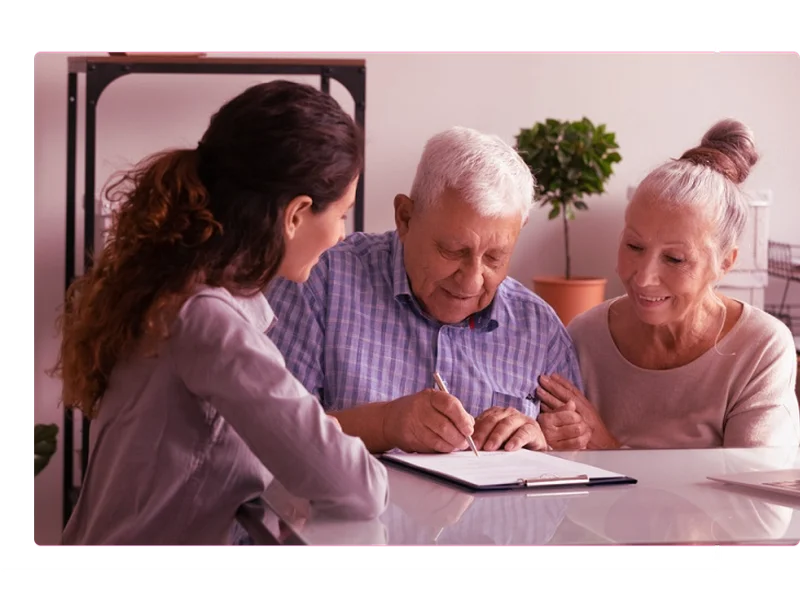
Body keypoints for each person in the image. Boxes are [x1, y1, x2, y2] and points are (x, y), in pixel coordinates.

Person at [52, 81, 390, 546]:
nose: (340, 235)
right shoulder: (210, 322)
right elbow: (360, 490)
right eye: (343, 214)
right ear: (296, 214)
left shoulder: (178, 292)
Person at [265, 126, 584, 455]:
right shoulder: (318, 282)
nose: (472, 280)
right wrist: (385, 424)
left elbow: (576, 475)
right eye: (453, 251)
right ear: (405, 218)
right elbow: (265, 435)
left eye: (494, 258)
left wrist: (545, 443)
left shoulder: (541, 331)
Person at [536, 118, 800, 450]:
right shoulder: (583, 337)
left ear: (725, 263)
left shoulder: (760, 347)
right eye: (634, 246)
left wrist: (610, 451)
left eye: (674, 259)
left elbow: (751, 492)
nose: (644, 277)